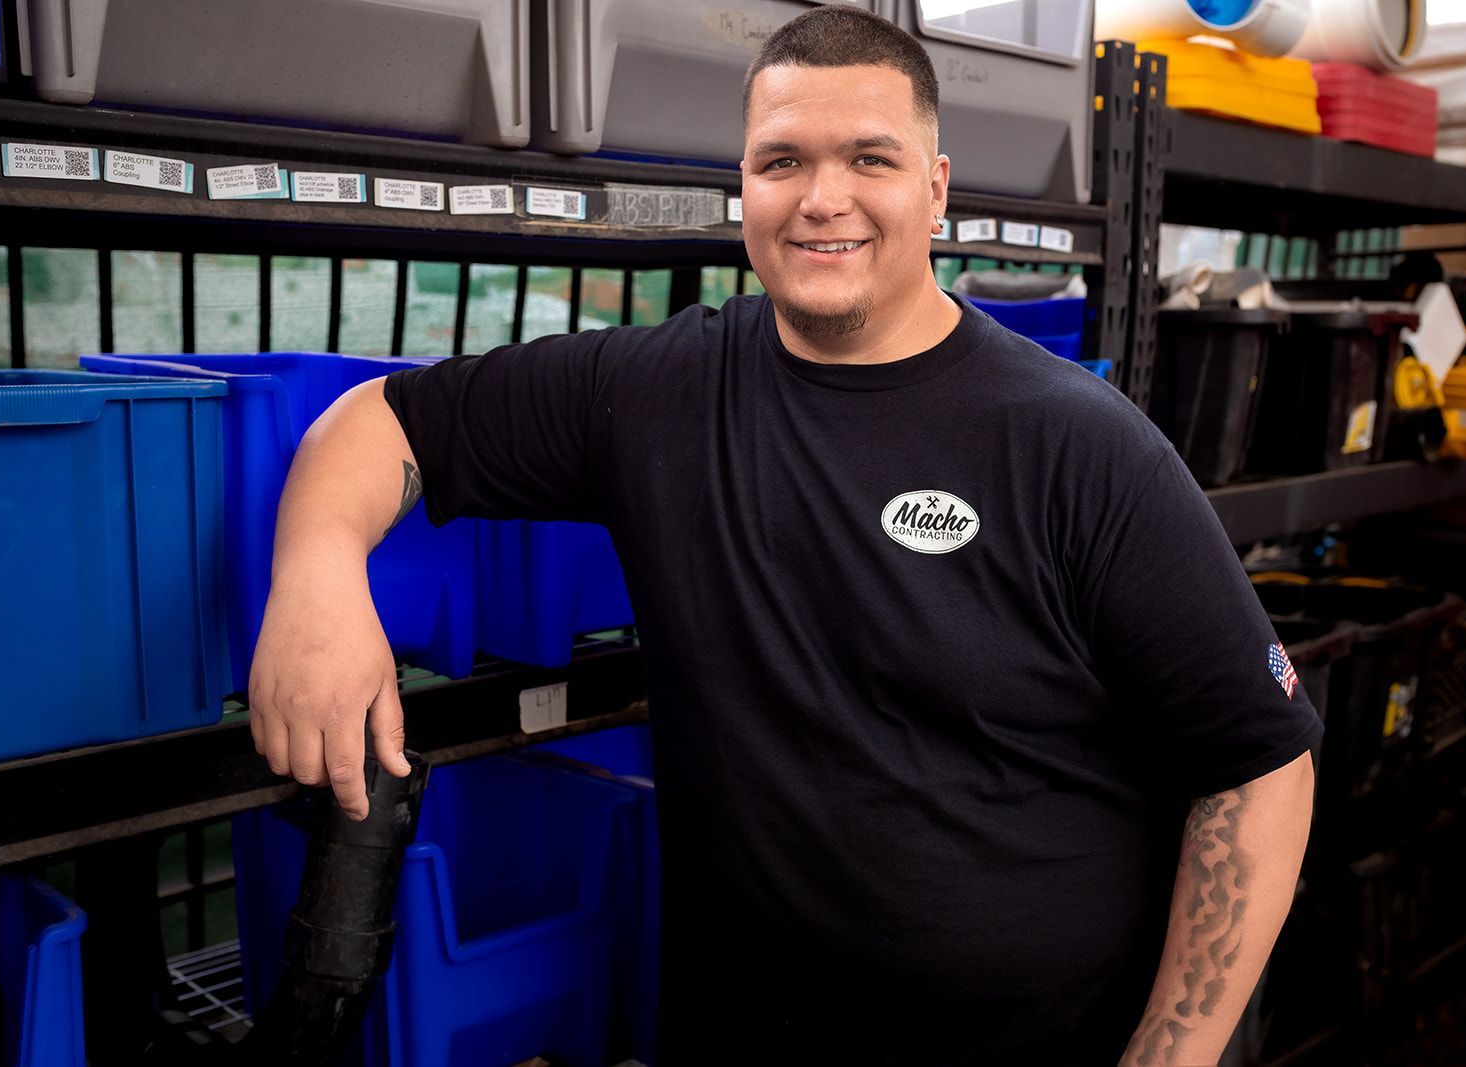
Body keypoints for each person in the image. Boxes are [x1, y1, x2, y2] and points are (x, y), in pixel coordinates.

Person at [249, 7, 1320, 1064]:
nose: (823, 199)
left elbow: (1259, 762)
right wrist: (317, 579)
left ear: (935, 190)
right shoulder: (656, 393)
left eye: (870, 158)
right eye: (782, 162)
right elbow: (377, 421)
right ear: (743, 189)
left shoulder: (1080, 448)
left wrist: (1170, 1055)